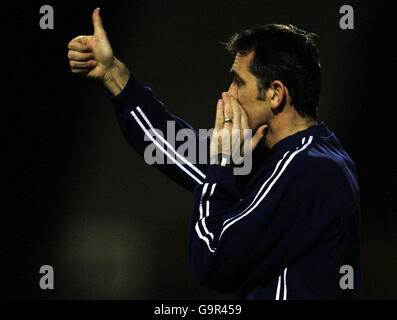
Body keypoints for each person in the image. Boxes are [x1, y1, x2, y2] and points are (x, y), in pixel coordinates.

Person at [67, 8, 362, 299]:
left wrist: (223, 163)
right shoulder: (294, 156)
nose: (229, 94)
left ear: (275, 93)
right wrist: (114, 75)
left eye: (239, 81)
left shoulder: (306, 170)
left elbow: (211, 259)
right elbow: (175, 150)